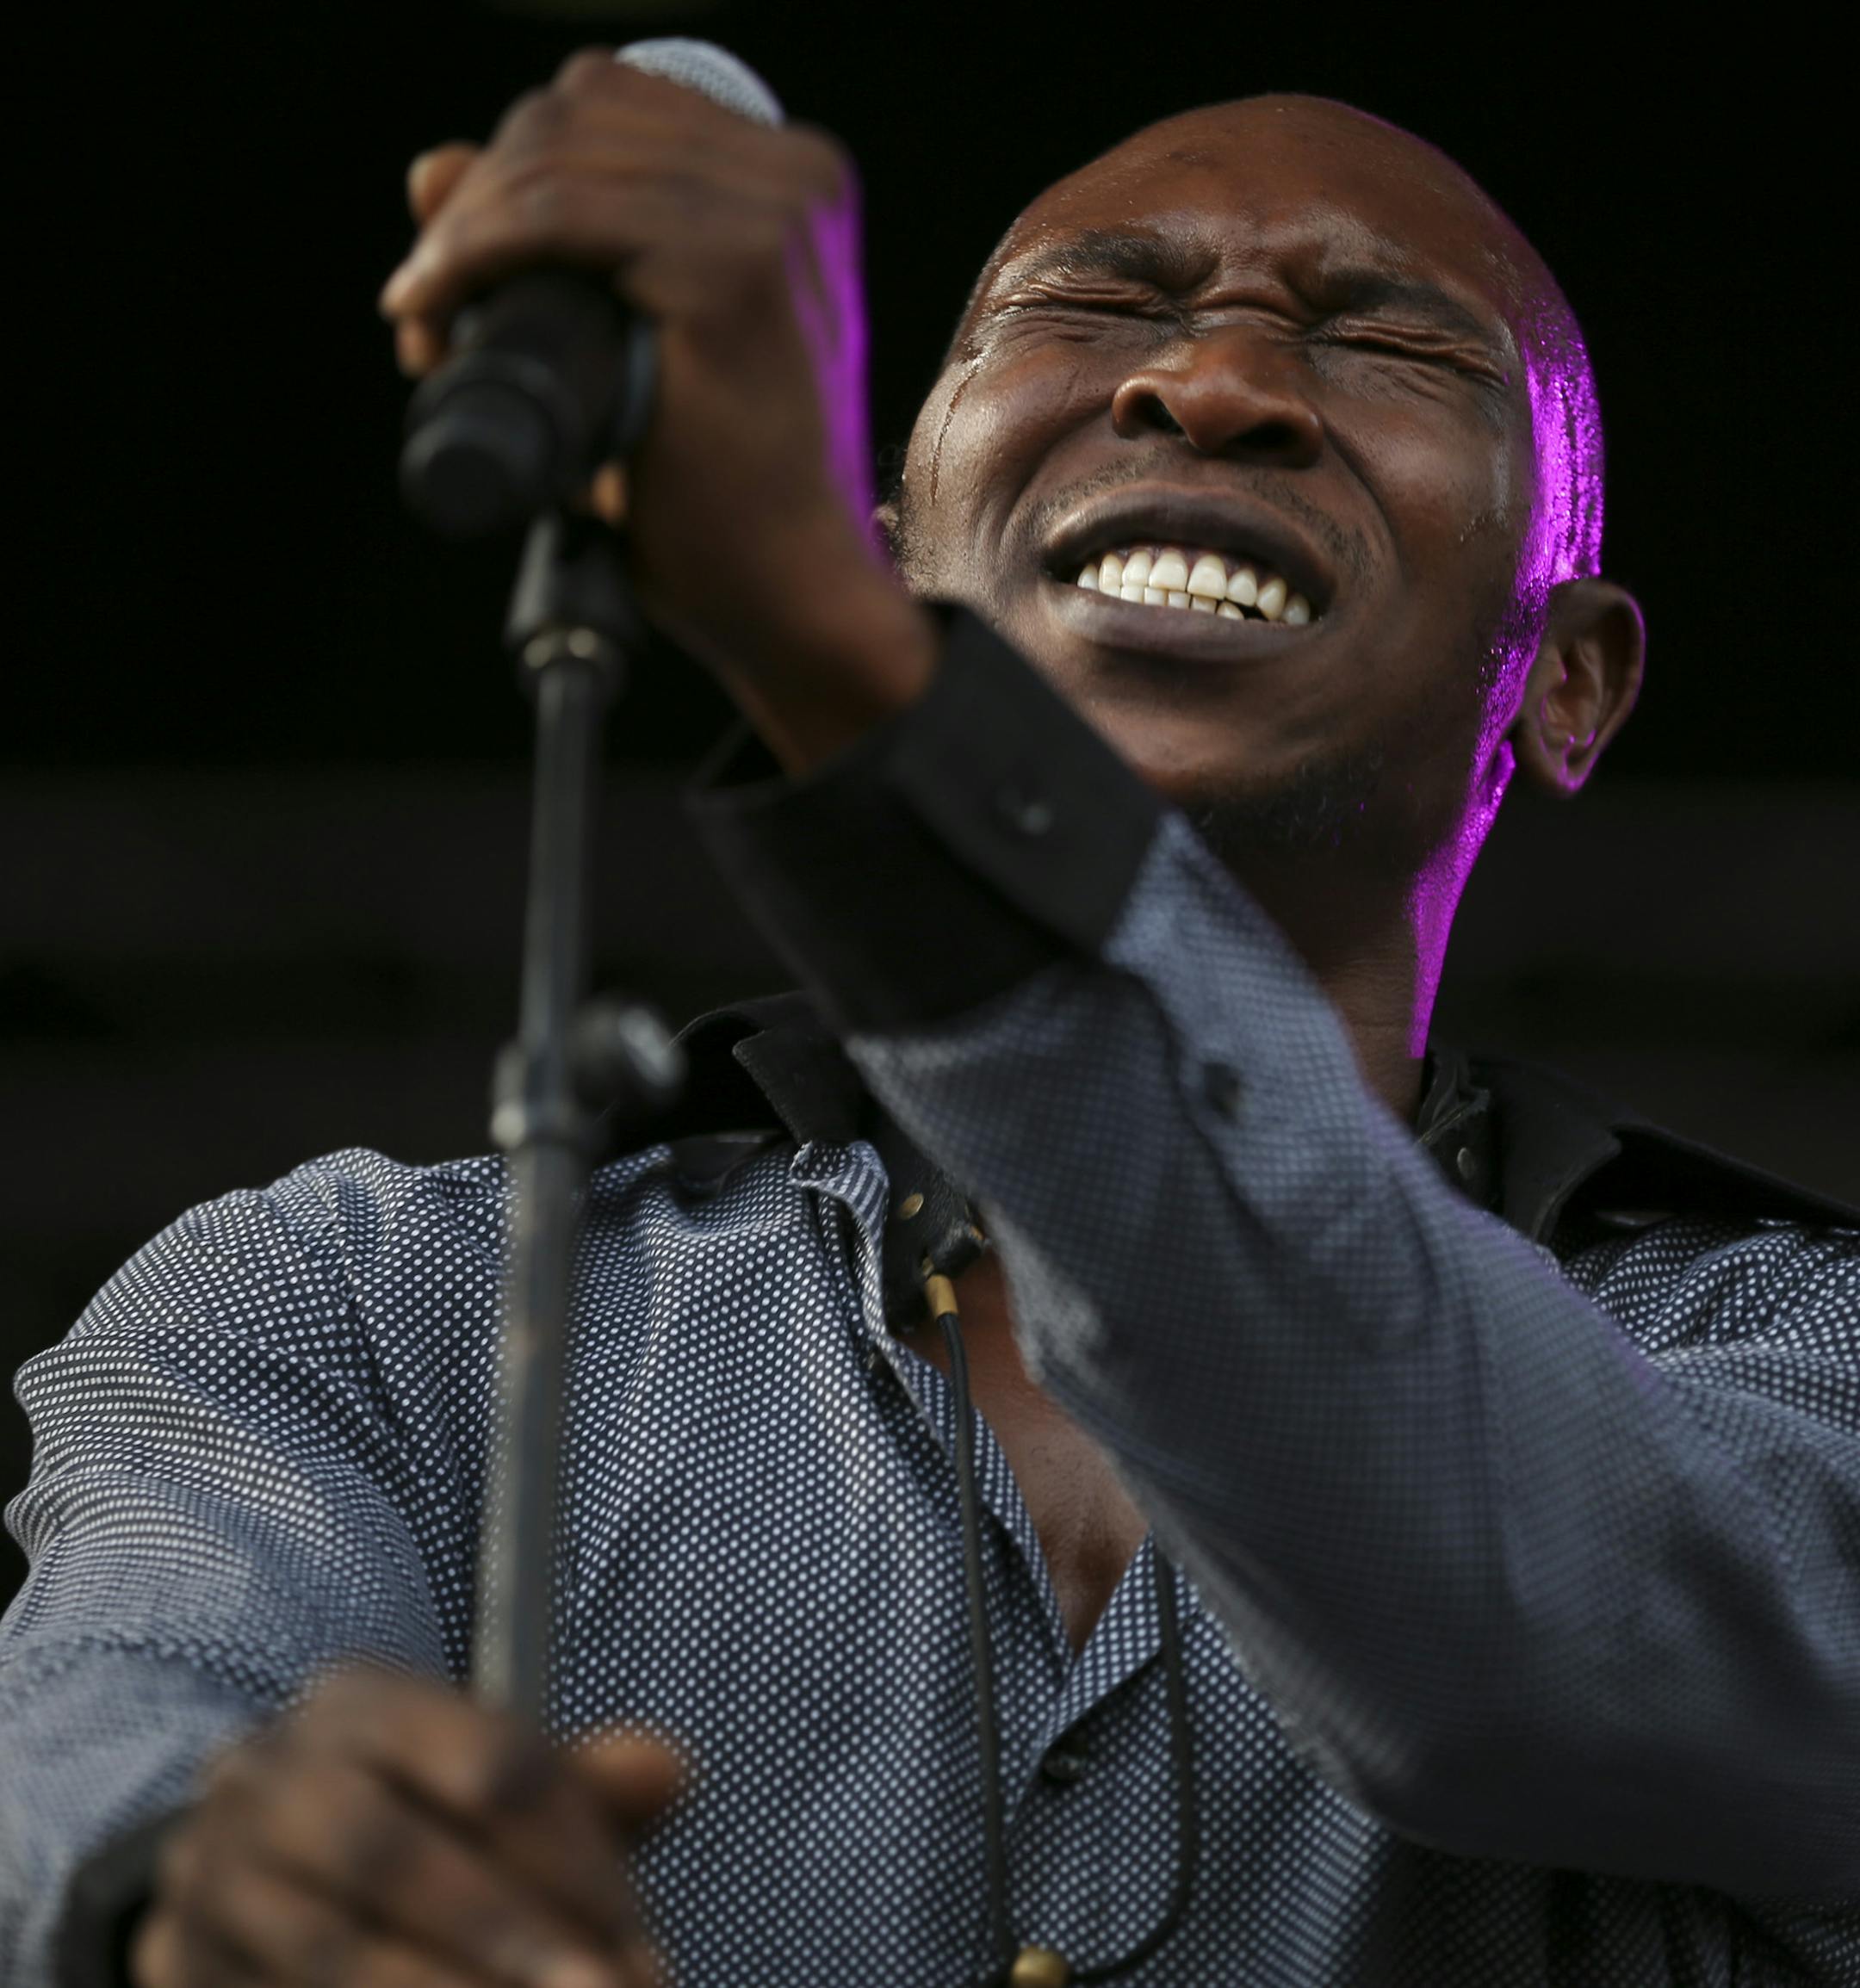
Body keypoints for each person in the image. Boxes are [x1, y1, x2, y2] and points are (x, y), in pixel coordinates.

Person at [3, 53, 1857, 1988]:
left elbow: (1513, 1633)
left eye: (1386, 342)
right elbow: (108, 1737)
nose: (1209, 385)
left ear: (1567, 682)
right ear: (903, 533)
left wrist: (843, 672)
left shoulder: (1807, 1365)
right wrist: (199, 1888)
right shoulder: (373, 1307)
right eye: (1099, 308)